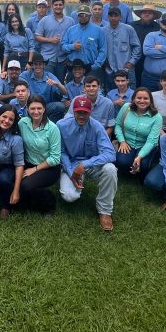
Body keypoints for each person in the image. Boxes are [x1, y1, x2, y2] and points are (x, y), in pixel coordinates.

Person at [58, 97, 117, 232]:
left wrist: (84, 164)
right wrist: (70, 172)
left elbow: (110, 154)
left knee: (110, 169)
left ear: (90, 112)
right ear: (73, 111)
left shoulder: (97, 127)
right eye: (79, 112)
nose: (82, 116)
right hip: (71, 164)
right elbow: (61, 152)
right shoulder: (61, 125)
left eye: (85, 113)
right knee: (69, 196)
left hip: (92, 164)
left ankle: (105, 211)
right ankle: (73, 183)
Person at [17, 95, 61, 215]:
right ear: (27, 109)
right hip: (28, 162)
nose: (36, 112)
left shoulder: (52, 128)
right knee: (13, 180)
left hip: (48, 168)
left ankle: (49, 203)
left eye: (39, 108)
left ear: (44, 109)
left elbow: (55, 158)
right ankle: (30, 201)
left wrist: (34, 169)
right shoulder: (22, 123)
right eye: (32, 108)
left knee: (26, 185)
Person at [114, 88, 163, 176]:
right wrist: (122, 141)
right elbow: (118, 125)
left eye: (146, 98)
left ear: (150, 100)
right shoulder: (126, 108)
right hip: (127, 143)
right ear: (133, 99)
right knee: (122, 162)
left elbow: (152, 141)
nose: (142, 101)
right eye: (139, 98)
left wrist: (139, 156)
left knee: (143, 165)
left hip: (145, 144)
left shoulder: (157, 117)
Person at [61, 4, 106, 85]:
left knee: (92, 90)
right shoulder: (71, 30)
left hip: (91, 68)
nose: (83, 17)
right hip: (73, 68)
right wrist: (72, 46)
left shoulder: (99, 30)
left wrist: (96, 65)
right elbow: (63, 46)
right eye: (80, 15)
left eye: (85, 15)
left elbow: (103, 50)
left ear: (90, 16)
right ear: (77, 16)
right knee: (71, 89)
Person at [35, 0, 74, 82]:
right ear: (52, 6)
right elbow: (37, 37)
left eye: (60, 5)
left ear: (64, 6)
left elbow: (73, 38)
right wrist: (50, 40)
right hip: (48, 58)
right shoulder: (45, 20)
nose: (58, 7)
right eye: (56, 5)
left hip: (63, 59)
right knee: (47, 83)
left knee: (59, 83)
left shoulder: (70, 21)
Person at [21, 53, 68, 121]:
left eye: (40, 64)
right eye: (35, 64)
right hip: (30, 106)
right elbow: (16, 80)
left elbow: (65, 92)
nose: (38, 66)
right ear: (32, 66)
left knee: (60, 106)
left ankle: (47, 123)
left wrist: (57, 84)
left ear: (44, 65)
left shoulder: (49, 76)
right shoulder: (26, 74)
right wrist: (5, 73)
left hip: (45, 106)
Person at [103, 7, 141, 90]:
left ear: (120, 17)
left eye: (116, 15)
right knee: (111, 93)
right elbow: (100, 49)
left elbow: (137, 46)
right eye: (111, 15)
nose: (113, 18)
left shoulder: (129, 29)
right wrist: (105, 63)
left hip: (126, 69)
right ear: (108, 17)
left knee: (130, 93)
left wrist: (132, 62)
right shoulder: (103, 30)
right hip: (110, 70)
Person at [131, 3, 161, 86]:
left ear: (154, 15)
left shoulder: (158, 27)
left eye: (150, 13)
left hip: (151, 59)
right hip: (134, 59)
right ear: (141, 14)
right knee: (134, 81)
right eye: (144, 12)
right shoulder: (131, 26)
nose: (147, 14)